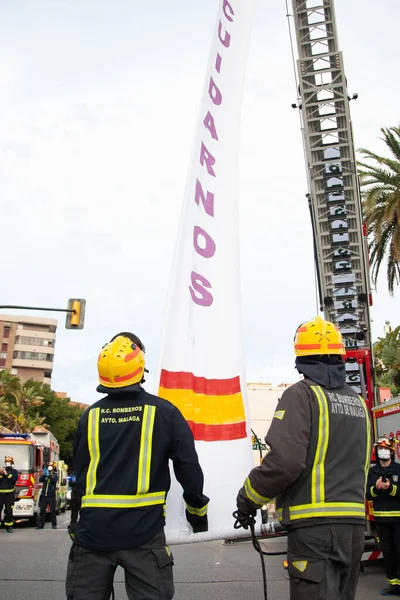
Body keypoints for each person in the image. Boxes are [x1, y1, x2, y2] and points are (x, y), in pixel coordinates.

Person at [235, 316, 371, 600]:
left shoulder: (301, 395)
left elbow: (284, 462)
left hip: (315, 530)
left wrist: (248, 499)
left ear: (301, 359)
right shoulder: (359, 404)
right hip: (355, 529)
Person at [66, 332, 209, 600]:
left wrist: (76, 522)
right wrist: (197, 512)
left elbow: (81, 478)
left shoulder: (90, 416)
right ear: (140, 368)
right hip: (143, 534)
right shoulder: (164, 412)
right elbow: (188, 466)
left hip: (93, 534)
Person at [366, 435, 400, 596]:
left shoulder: (398, 470)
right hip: (381, 520)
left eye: (386, 449)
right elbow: (368, 494)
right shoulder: (373, 472)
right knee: (388, 553)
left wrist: (391, 488)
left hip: (398, 520)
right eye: (380, 449)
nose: (383, 451)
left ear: (391, 451)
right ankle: (393, 584)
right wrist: (377, 488)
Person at [36, 460, 58, 530]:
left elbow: (54, 481)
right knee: (42, 511)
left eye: (50, 466)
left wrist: (49, 476)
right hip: (44, 496)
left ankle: (54, 525)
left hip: (51, 496)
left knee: (52, 511)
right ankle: (40, 525)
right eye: (48, 466)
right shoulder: (46, 474)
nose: (49, 468)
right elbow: (40, 480)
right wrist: (44, 475)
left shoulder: (55, 475)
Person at [0, 455, 19, 533]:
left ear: (11, 463)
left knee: (8, 510)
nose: (7, 463)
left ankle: (9, 526)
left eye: (9, 462)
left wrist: (6, 474)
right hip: (0, 494)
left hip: (9, 494)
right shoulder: (1, 471)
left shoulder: (14, 472)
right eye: (6, 462)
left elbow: (13, 479)